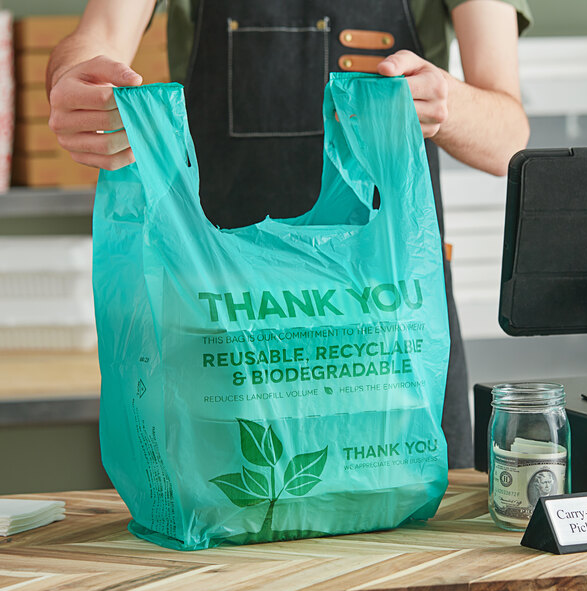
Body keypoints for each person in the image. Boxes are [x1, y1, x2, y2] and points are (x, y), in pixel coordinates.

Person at [46, 0, 532, 469]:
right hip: (225, 324)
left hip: (385, 321)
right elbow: (99, 35)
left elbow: (506, 136)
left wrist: (446, 101)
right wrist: (74, 80)